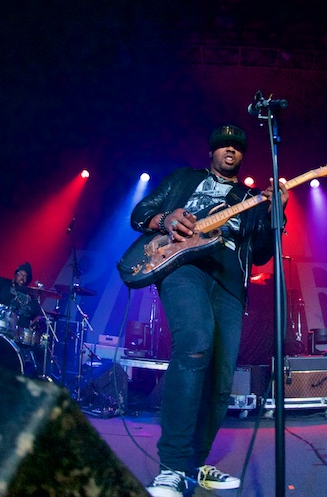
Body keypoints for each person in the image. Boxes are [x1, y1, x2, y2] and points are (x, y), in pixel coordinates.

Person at [130, 124, 289, 497]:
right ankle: (170, 466)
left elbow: (263, 253)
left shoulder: (249, 197)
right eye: (223, 145)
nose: (230, 150)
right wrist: (166, 219)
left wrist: (274, 214)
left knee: (221, 377)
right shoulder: (184, 178)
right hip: (184, 265)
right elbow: (141, 213)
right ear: (212, 152)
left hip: (230, 279)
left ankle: (193, 465)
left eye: (237, 147)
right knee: (196, 341)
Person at [0, 261, 41, 334]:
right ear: (15, 274)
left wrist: (34, 323)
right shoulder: (2, 283)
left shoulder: (31, 296)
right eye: (20, 274)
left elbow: (38, 316)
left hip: (20, 334)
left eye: (25, 276)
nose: (22, 278)